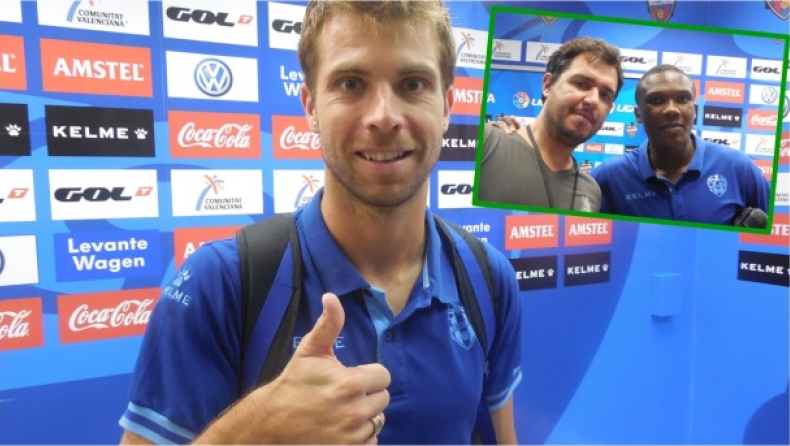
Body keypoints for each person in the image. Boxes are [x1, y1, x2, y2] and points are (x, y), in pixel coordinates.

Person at [118, 1, 523, 444]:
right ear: (310, 106)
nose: (384, 116)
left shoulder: (488, 278)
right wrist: (256, 430)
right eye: (351, 83)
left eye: (412, 84)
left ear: (446, 106)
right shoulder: (219, 284)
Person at [590, 64, 770, 226]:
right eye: (657, 100)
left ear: (695, 110)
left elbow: (774, 238)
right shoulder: (609, 177)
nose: (672, 110)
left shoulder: (738, 167)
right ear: (638, 114)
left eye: (683, 99)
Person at [475, 37, 624, 212]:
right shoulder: (486, 143)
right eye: (581, 84)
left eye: (605, 95)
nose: (593, 100)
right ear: (548, 85)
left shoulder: (591, 192)